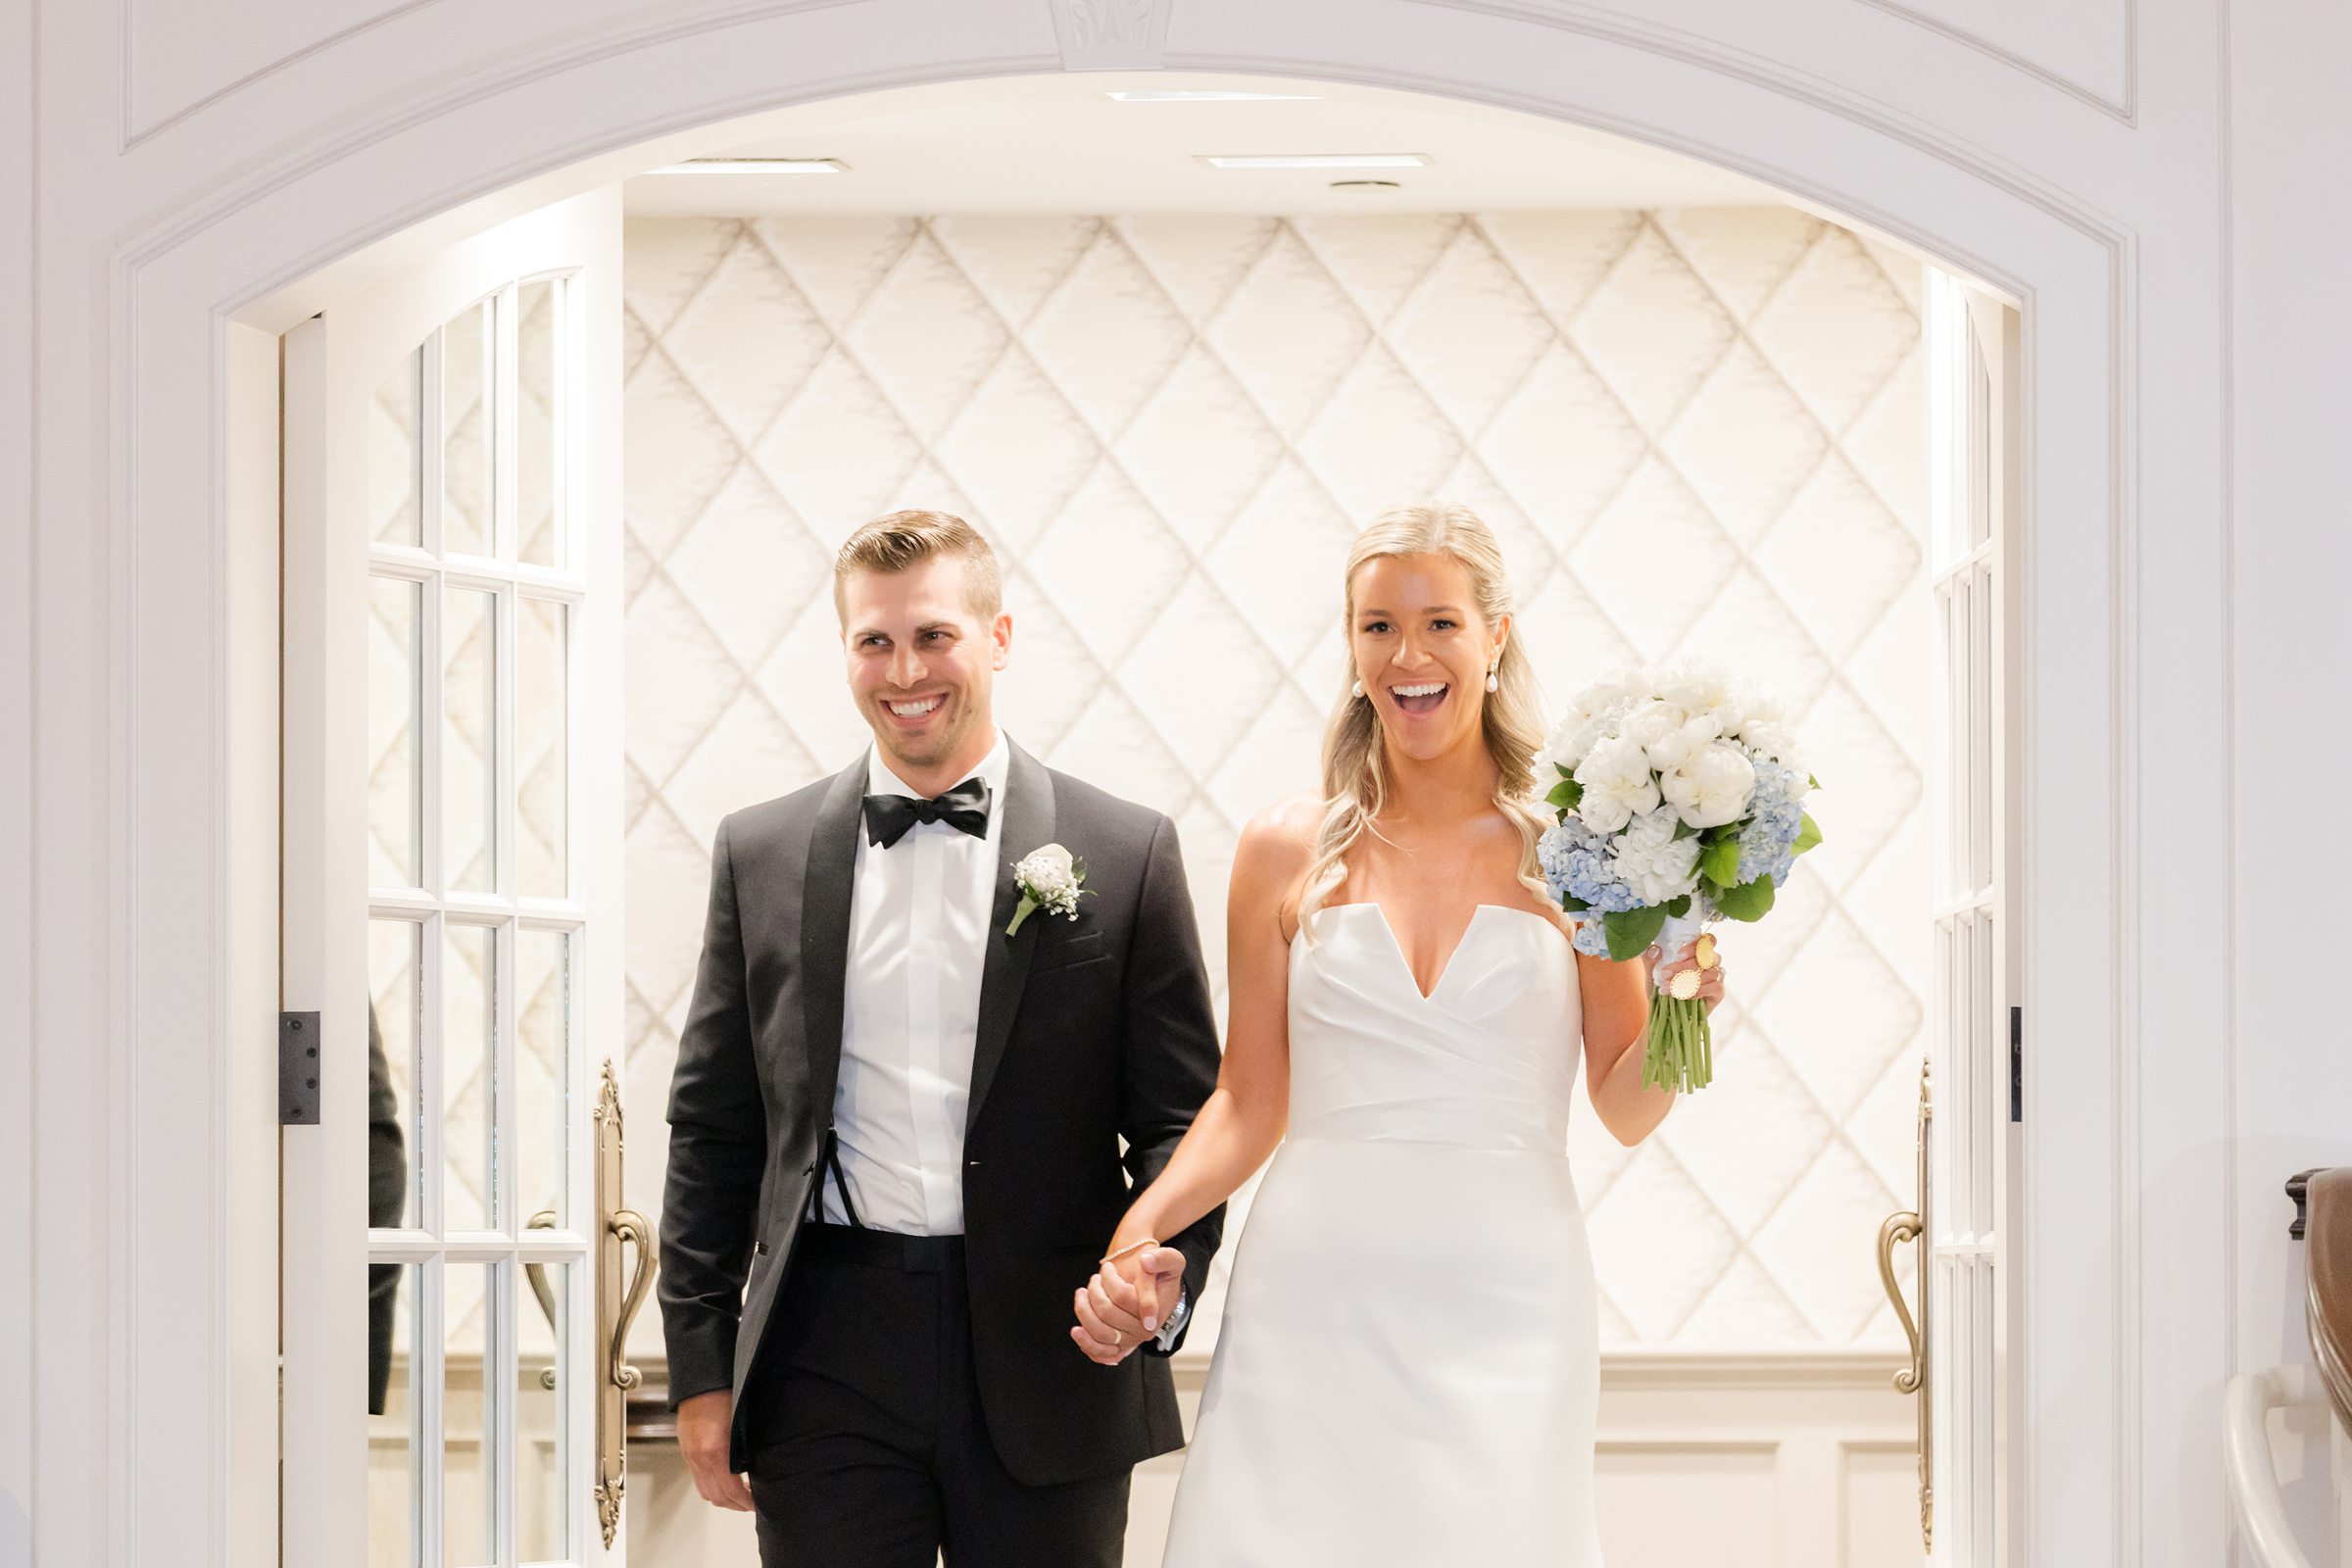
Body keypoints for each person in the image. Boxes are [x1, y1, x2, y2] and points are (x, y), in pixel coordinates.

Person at [1069, 502, 1728, 1566]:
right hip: (1313, 1291)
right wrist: (1135, 1233)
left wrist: (1684, 1014)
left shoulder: (1577, 852)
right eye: (1377, 626)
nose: (1407, 655)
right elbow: (1248, 1099)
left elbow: (1623, 1105)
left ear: (1495, 636)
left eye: (1440, 624)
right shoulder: (1284, 847)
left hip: (1510, 1295)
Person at [656, 510, 1225, 1568]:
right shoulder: (761, 852)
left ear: (998, 637)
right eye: (873, 640)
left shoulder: (1126, 850)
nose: (903, 670)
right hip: (827, 1346)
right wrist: (699, 1367)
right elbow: (713, 1129)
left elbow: (1181, 1121)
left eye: (933, 635)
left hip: (1052, 1353)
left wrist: (1163, 1271)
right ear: (845, 653)